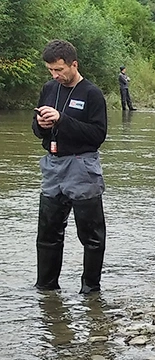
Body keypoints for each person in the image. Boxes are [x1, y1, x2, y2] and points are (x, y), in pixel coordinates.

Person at [32, 39, 108, 294]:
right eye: (51, 70)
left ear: (74, 64)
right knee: (47, 233)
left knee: (91, 236)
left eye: (60, 70)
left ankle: (90, 290)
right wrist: (41, 125)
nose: (56, 75)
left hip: (82, 166)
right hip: (53, 166)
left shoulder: (91, 93)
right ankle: (46, 288)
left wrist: (62, 120)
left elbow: (98, 135)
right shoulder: (48, 89)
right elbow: (36, 131)